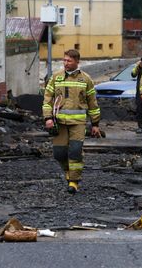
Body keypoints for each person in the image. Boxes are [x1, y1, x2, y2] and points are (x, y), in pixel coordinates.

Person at [43, 49, 101, 194]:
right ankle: (68, 172)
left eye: (69, 61)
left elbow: (93, 103)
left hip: (78, 123)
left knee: (75, 152)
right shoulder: (56, 77)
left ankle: (74, 181)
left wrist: (95, 124)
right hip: (59, 123)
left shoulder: (86, 79)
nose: (65, 63)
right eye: (64, 60)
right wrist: (48, 118)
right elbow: (47, 99)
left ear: (77, 62)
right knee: (59, 153)